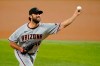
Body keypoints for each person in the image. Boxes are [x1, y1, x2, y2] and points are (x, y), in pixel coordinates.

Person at [8, 7, 81, 66]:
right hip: (21, 53)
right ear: (30, 16)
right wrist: (20, 48)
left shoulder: (45, 27)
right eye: (36, 13)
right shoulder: (22, 30)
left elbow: (63, 25)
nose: (38, 15)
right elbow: (11, 42)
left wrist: (75, 15)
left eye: (39, 13)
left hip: (33, 53)